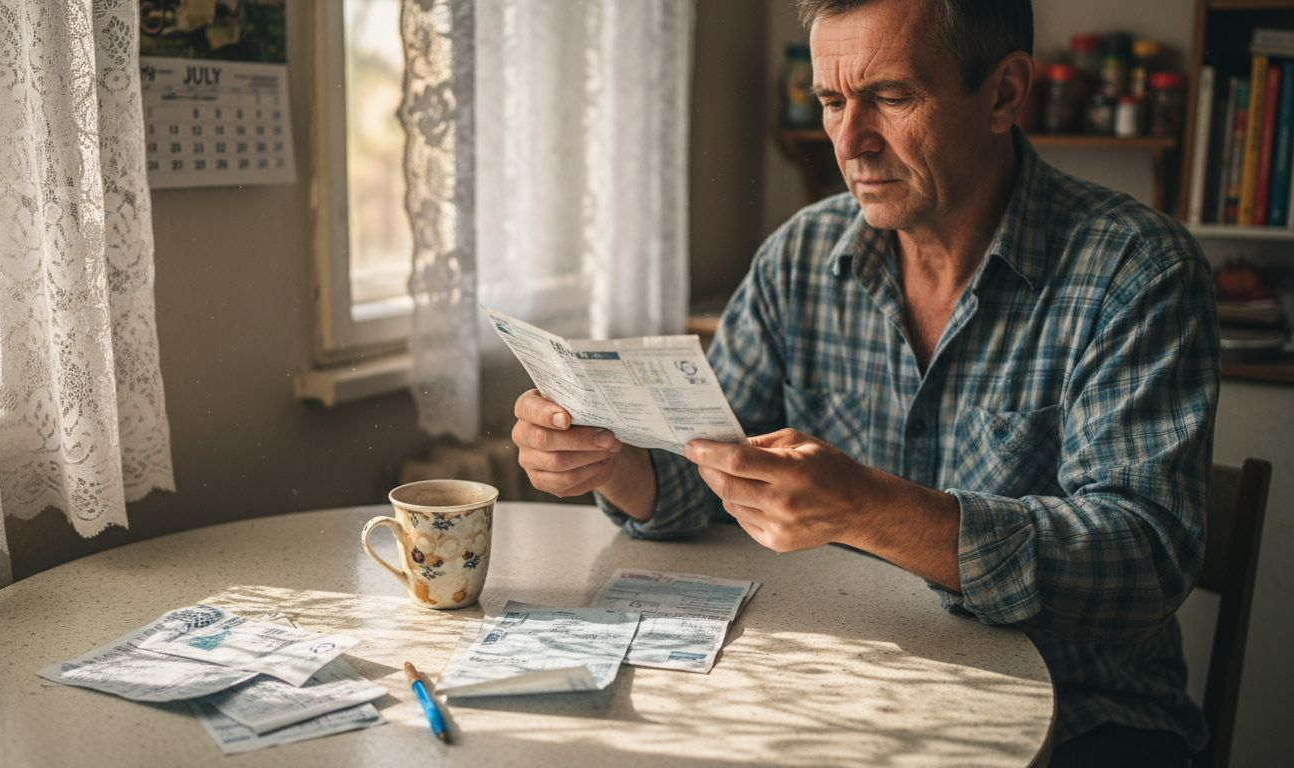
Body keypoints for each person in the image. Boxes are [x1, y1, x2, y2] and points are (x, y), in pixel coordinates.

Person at [509, 1, 1217, 765]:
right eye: (832, 101)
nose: (851, 143)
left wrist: (871, 509)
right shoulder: (800, 258)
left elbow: (1145, 556)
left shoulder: (1136, 271)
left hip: (1086, 719)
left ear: (1005, 94)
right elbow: (706, 470)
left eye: (891, 96)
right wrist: (617, 463)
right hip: (848, 693)